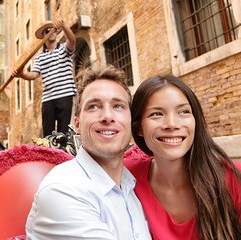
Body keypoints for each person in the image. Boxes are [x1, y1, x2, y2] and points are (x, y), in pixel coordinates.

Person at [26, 65, 151, 239]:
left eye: (118, 106)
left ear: (130, 120)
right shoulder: (62, 190)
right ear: (77, 124)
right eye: (93, 106)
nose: (107, 116)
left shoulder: (132, 185)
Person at [124, 75, 241, 239]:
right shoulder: (127, 178)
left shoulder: (233, 177)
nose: (172, 124)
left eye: (184, 112)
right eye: (157, 114)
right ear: (139, 128)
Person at [12, 19, 77, 137]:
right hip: (48, 99)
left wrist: (63, 25)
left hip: (65, 95)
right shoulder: (40, 57)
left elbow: (72, 40)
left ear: (56, 33)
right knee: (47, 135)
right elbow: (33, 75)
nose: (51, 32)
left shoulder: (64, 49)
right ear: (43, 36)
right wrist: (21, 74)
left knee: (63, 134)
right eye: (47, 31)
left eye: (53, 30)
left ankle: (63, 155)